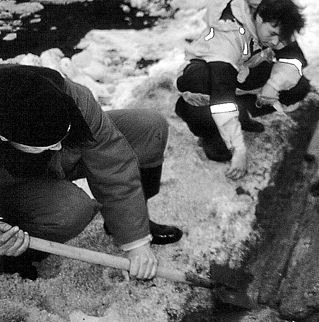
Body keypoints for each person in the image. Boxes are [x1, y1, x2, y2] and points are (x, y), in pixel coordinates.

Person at [0, 64, 182, 281]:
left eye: (60, 138)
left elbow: (113, 163)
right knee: (71, 210)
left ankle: (129, 221)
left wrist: (137, 242)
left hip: (53, 165)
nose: (58, 148)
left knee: (149, 128)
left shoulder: (67, 95)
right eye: (44, 145)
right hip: (10, 183)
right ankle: (17, 253)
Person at [175, 0, 310, 180]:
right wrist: (238, 149)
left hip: (242, 72)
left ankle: (242, 112)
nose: (276, 42)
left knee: (298, 87)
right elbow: (222, 95)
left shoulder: (275, 21)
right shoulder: (228, 34)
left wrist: (273, 85)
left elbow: (295, 59)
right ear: (260, 18)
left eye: (281, 37)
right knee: (202, 83)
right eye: (272, 34)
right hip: (209, 77)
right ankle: (210, 133)